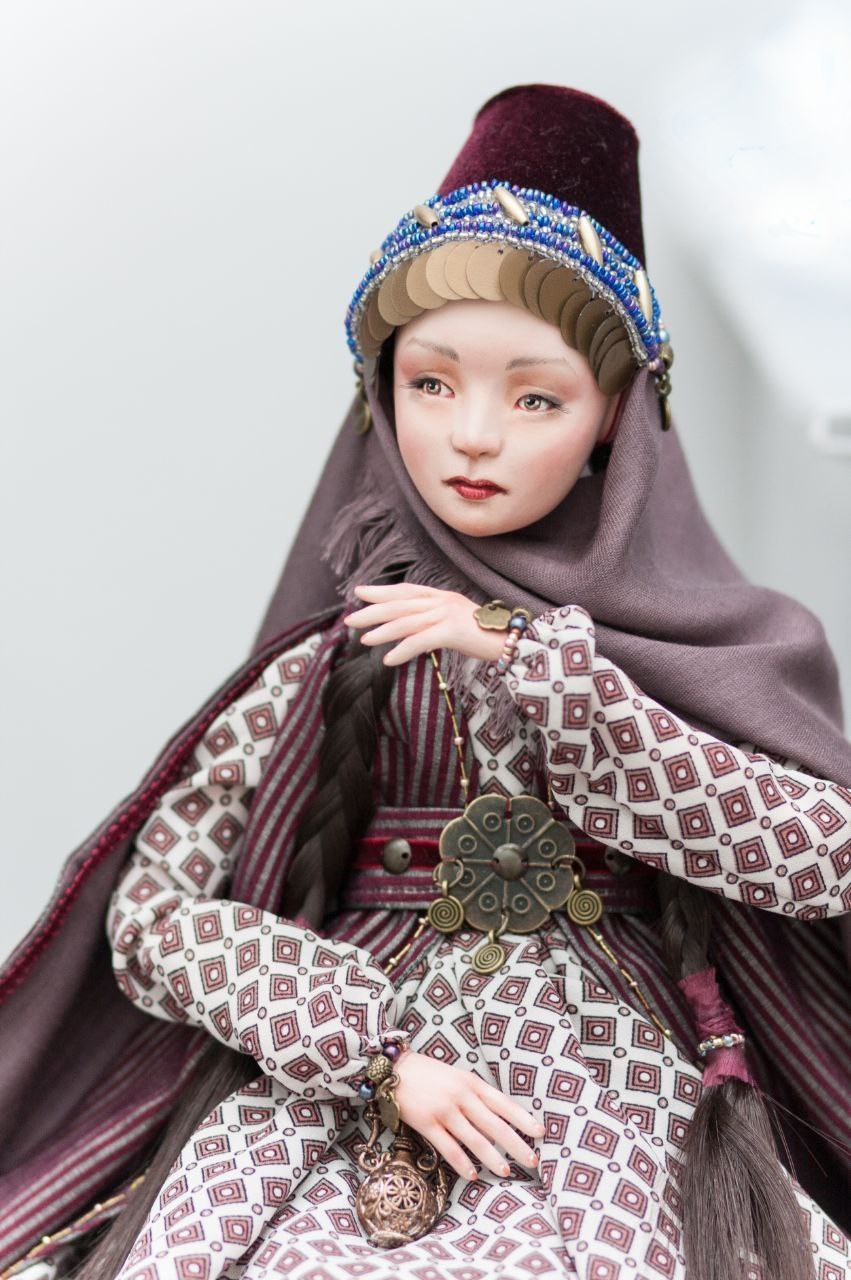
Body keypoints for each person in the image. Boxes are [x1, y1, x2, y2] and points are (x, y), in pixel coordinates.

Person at [1, 83, 848, 1280]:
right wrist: (357, 1041)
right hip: (351, 1080)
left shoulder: (710, 651)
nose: (472, 434)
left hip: (618, 1083)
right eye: (431, 383)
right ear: (380, 390)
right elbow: (151, 916)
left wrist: (543, 668)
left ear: (616, 416)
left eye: (534, 396)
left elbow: (817, 854)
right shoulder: (331, 660)